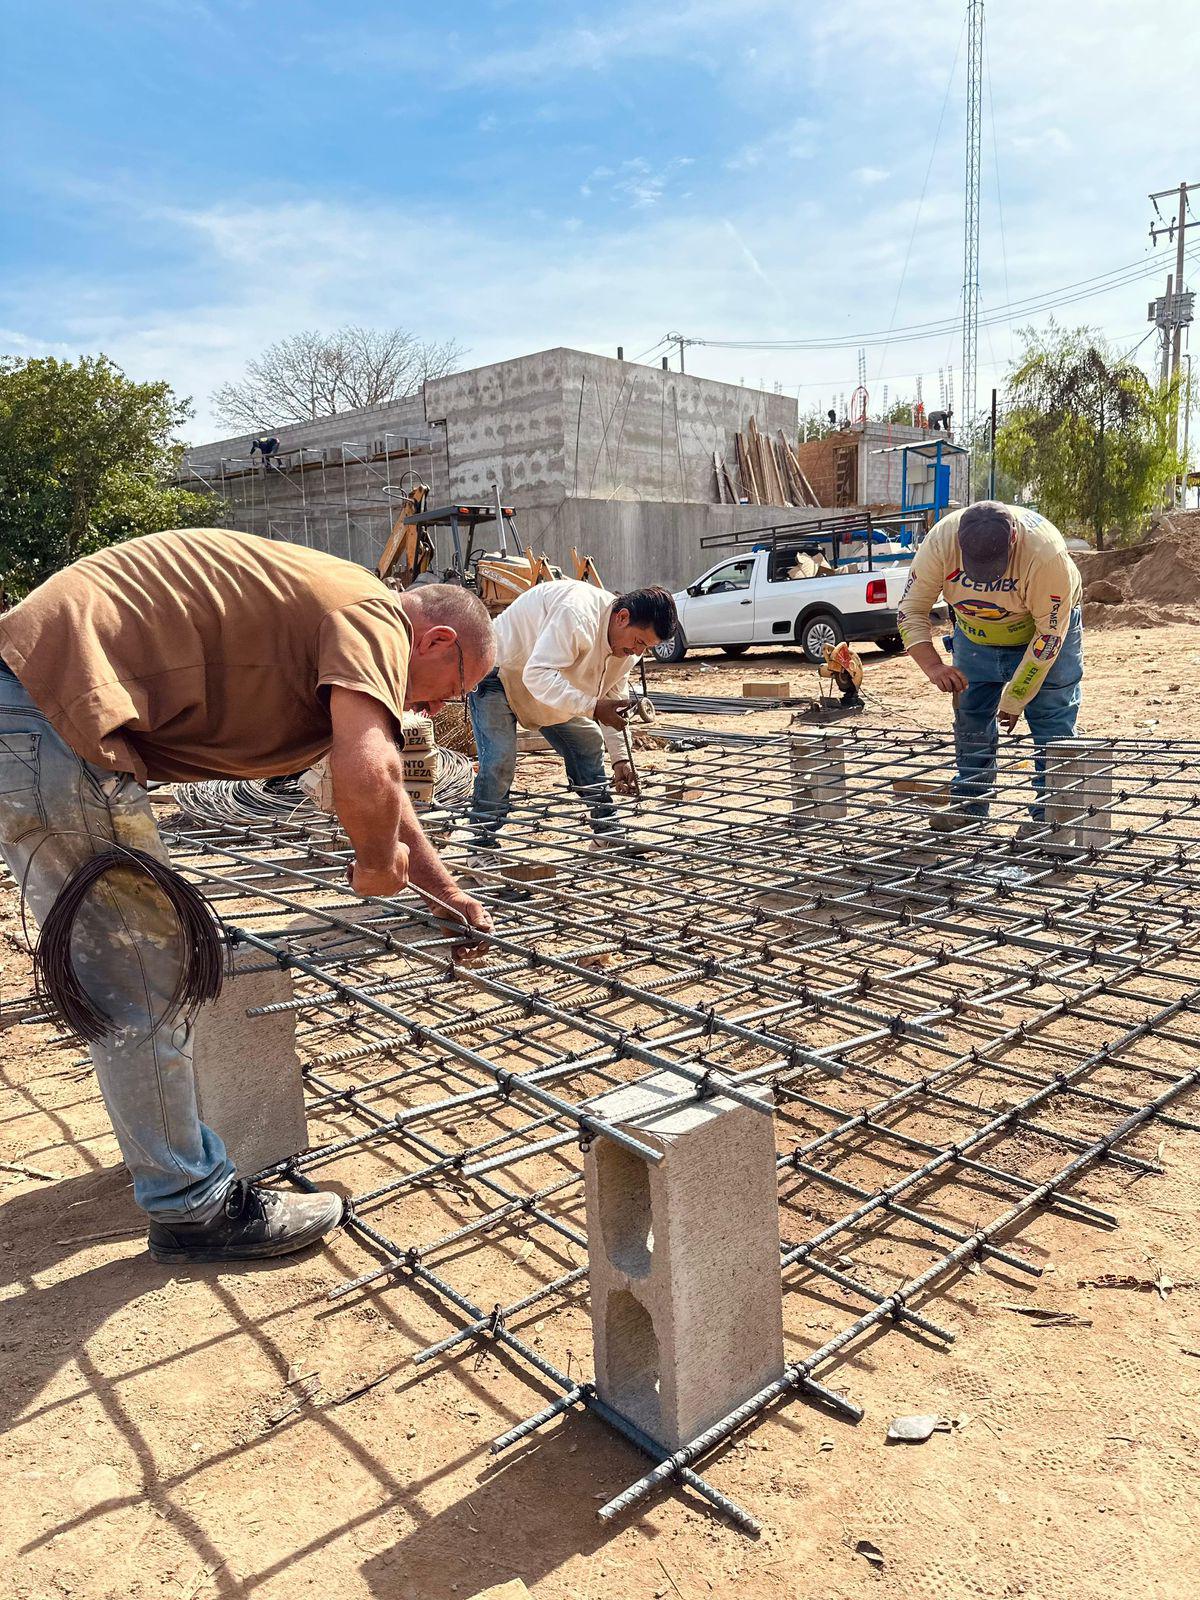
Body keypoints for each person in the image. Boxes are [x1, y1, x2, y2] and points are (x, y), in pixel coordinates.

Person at [0, 527, 496, 1264]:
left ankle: (172, 1160)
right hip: (58, 723)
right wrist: (371, 865)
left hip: (36, 714)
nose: (438, 706)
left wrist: (444, 892)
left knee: (132, 977)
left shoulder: (331, 613)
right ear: (437, 639)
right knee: (145, 983)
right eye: (450, 689)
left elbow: (381, 789)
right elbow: (373, 772)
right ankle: (192, 1208)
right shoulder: (373, 615)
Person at [896, 500, 1083, 831]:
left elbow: (1049, 636)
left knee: (1051, 721)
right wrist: (934, 667)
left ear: (1013, 539)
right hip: (975, 633)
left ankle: (1053, 818)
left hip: (1041, 633)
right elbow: (910, 610)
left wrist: (1016, 697)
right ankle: (970, 803)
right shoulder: (940, 542)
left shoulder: (1045, 555)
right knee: (971, 717)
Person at [465, 580, 677, 860]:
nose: (638, 652)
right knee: (499, 762)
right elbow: (536, 674)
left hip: (547, 684)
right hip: (500, 675)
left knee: (587, 742)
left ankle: (606, 830)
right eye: (639, 642)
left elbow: (614, 703)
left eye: (646, 648)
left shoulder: (628, 649)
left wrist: (620, 759)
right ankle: (481, 846)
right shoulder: (577, 615)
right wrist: (592, 706)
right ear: (622, 618)